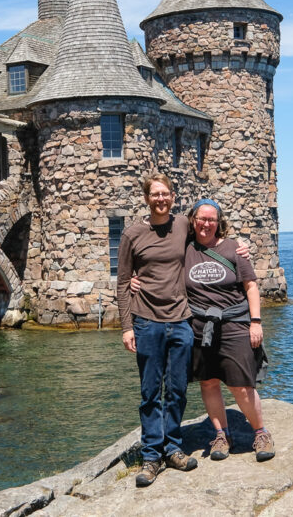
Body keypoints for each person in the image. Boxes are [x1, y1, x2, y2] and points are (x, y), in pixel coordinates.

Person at [116, 173, 198, 487]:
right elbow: (124, 283)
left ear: (173, 196)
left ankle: (173, 448)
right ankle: (152, 456)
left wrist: (237, 250)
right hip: (146, 321)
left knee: (177, 390)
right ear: (147, 198)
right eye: (155, 194)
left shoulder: (182, 225)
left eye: (165, 194)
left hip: (180, 320)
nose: (160, 199)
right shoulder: (133, 234)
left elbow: (210, 231)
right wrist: (126, 327)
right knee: (150, 392)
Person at [184, 198, 274, 462]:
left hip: (234, 325)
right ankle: (221, 434)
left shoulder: (234, 249)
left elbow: (251, 286)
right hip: (200, 327)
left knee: (241, 384)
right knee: (209, 382)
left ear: (219, 222)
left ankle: (260, 432)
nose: (206, 224)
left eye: (212, 219)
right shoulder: (185, 250)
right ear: (193, 220)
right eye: (202, 219)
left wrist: (255, 322)